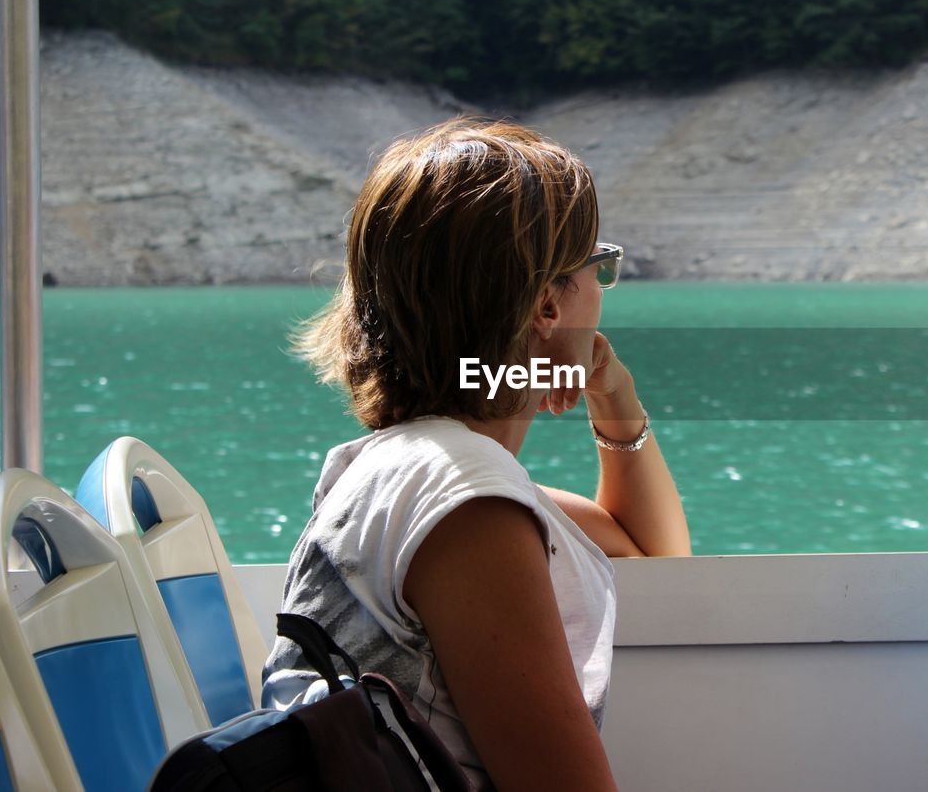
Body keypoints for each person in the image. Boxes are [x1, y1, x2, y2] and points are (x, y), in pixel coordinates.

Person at [261, 118, 691, 791]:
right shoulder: (465, 503)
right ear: (548, 303)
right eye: (599, 267)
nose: (604, 290)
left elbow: (653, 551)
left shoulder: (410, 466)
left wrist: (611, 390)